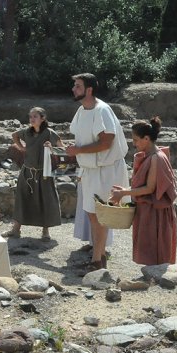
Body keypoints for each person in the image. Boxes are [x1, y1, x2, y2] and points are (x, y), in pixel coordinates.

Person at [66, 73, 129, 270]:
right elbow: (82, 138)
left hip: (105, 169)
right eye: (74, 85)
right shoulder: (81, 110)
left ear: (89, 90)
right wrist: (75, 149)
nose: (74, 89)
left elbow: (106, 142)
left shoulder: (102, 110)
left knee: (100, 214)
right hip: (89, 170)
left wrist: (79, 151)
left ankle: (97, 261)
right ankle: (98, 256)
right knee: (92, 214)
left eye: (78, 86)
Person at [110, 117, 177, 266]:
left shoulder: (156, 158)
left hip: (156, 212)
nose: (134, 144)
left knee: (155, 250)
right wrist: (125, 191)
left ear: (146, 138)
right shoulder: (150, 155)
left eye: (136, 140)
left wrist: (124, 193)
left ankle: (157, 277)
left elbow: (150, 188)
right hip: (149, 209)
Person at [2, 107, 63, 240]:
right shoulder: (27, 132)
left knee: (45, 200)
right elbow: (14, 135)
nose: (32, 119)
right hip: (27, 171)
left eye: (35, 116)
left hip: (44, 173)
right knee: (21, 199)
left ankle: (45, 232)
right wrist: (21, 147)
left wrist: (51, 148)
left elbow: (62, 149)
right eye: (30, 117)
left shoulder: (49, 133)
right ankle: (16, 229)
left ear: (43, 118)